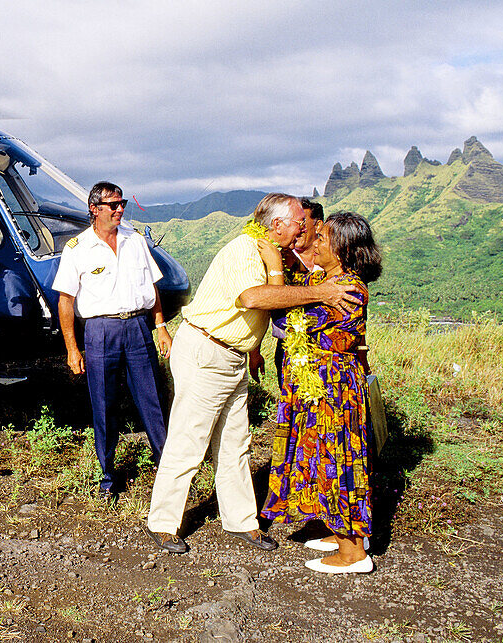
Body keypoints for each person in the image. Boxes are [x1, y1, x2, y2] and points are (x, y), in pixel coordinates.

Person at [144, 193, 360, 554]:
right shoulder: (247, 249)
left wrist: (254, 349)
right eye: (297, 221)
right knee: (190, 440)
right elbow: (253, 299)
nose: (303, 227)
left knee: (235, 442)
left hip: (232, 356)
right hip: (206, 352)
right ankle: (163, 522)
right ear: (276, 225)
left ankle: (242, 520)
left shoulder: (273, 252)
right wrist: (318, 291)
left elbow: (260, 310)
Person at [259, 212, 382, 574]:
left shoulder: (347, 290)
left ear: (343, 249)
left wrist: (275, 274)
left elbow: (287, 321)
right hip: (320, 380)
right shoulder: (325, 280)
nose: (316, 243)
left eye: (325, 240)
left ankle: (354, 553)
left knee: (338, 460)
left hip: (332, 387)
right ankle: (343, 532)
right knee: (323, 458)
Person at [52, 181, 173, 498]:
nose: (120, 209)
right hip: (100, 331)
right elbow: (66, 301)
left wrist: (160, 326)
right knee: (104, 407)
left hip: (137, 327)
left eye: (122, 204)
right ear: (95, 209)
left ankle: (168, 472)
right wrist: (71, 348)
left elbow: (153, 287)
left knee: (153, 402)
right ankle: (108, 478)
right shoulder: (77, 249)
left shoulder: (135, 241)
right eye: (114, 204)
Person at [273, 198, 325, 387]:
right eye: (297, 223)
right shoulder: (279, 257)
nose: (299, 229)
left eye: (304, 223)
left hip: (324, 347)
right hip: (288, 345)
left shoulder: (333, 261)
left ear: (318, 225)